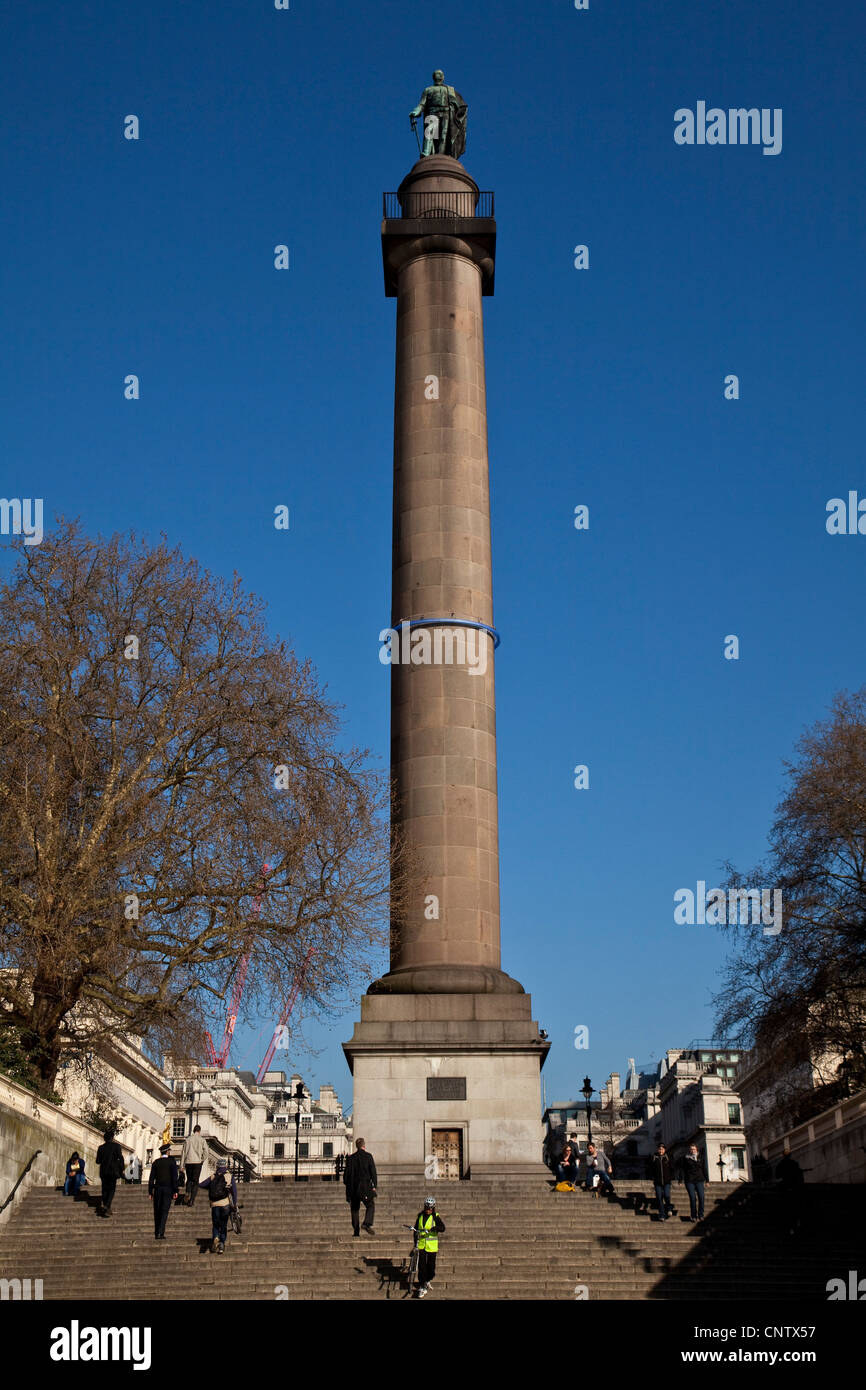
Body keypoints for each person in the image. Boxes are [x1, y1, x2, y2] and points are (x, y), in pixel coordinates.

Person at [199, 1159, 237, 1254]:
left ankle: (215, 1237)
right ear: (226, 1166)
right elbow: (234, 1192)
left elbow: (202, 1184)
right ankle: (221, 1244)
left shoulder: (213, 1176)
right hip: (225, 1204)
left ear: (217, 1166)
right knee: (223, 1225)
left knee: (215, 1224)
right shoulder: (229, 1176)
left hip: (214, 1204)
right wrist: (234, 1204)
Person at [343, 1137, 378, 1236]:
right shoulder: (368, 1156)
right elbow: (373, 1173)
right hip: (365, 1187)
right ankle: (366, 1223)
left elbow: (346, 1177)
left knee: (354, 1209)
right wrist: (374, 1185)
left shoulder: (350, 1159)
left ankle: (356, 1231)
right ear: (364, 1146)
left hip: (353, 1189)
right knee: (370, 1205)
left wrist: (348, 1186)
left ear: (356, 1146)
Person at [414, 1195, 445, 1299]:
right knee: (421, 1267)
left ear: (433, 1208)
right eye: (427, 1208)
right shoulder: (420, 1216)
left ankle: (428, 1280)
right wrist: (415, 1244)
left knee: (431, 1268)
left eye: (430, 1208)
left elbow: (443, 1228)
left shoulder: (435, 1216)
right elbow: (415, 1230)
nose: (428, 1210)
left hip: (432, 1247)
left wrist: (435, 1228)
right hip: (422, 1245)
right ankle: (422, 1286)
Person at [148, 1141, 179, 1239]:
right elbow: (174, 1178)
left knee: (157, 1210)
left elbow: (151, 1178)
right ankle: (160, 1232)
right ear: (168, 1152)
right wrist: (176, 1190)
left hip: (157, 1189)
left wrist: (150, 1191)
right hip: (167, 1189)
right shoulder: (171, 1162)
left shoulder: (156, 1162)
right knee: (164, 1210)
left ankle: (157, 1231)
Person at [95, 1129, 126, 1217]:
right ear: (112, 1138)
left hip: (103, 1171)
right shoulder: (116, 1146)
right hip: (113, 1171)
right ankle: (107, 1205)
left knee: (104, 1189)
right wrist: (122, 1169)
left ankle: (106, 1206)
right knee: (112, 1189)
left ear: (104, 1139)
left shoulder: (101, 1148)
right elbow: (121, 1158)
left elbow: (98, 1161)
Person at [181, 1125, 208, 1207]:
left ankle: (187, 1192)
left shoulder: (188, 1140)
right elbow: (206, 1152)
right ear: (199, 1131)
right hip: (197, 1162)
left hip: (188, 1162)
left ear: (193, 1130)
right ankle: (192, 1200)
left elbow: (183, 1153)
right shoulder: (202, 1140)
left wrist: (181, 1165)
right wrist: (202, 1159)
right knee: (196, 1181)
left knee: (189, 1179)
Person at [681, 1142, 708, 1221]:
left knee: (701, 1197)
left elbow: (704, 1169)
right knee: (693, 1198)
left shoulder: (701, 1157)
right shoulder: (686, 1158)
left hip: (699, 1179)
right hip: (690, 1180)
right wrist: (681, 1179)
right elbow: (683, 1169)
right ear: (689, 1150)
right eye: (691, 1149)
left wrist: (707, 1180)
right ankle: (693, 1215)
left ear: (697, 1149)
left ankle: (701, 1214)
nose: (693, 1151)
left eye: (694, 1149)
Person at [651, 1143, 673, 1221]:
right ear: (658, 1149)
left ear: (664, 1150)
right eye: (659, 1149)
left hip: (667, 1181)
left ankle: (669, 1208)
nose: (661, 1151)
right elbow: (651, 1168)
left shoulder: (668, 1157)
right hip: (657, 1182)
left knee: (667, 1195)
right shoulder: (654, 1157)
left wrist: (671, 1177)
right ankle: (662, 1214)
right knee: (659, 1198)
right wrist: (652, 1177)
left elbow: (671, 1168)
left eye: (662, 1149)